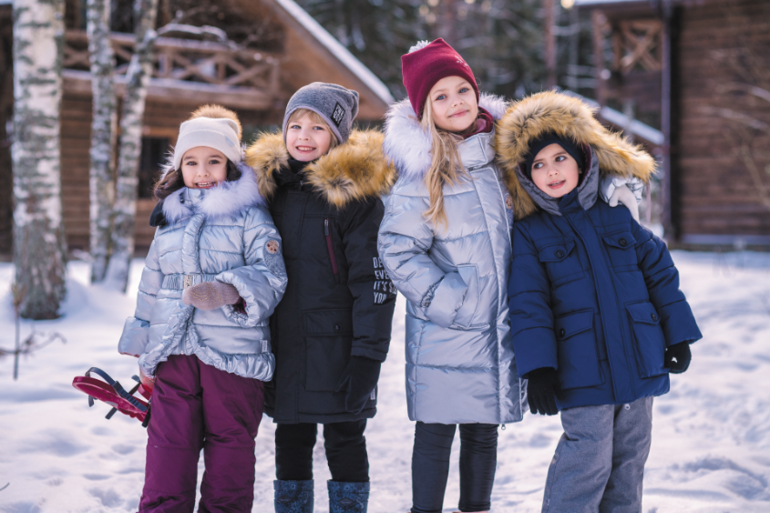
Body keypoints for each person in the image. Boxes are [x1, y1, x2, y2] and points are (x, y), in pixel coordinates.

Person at [500, 91, 703, 512]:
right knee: (587, 459)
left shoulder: (617, 214)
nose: (551, 171)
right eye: (538, 164)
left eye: (560, 158)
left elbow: (659, 273)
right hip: (581, 369)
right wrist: (538, 368)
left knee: (629, 460)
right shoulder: (531, 233)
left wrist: (677, 334)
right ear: (526, 176)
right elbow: (529, 303)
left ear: (582, 159)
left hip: (639, 358)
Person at [377, 38, 524, 513]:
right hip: (445, 329)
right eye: (440, 96)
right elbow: (398, 248)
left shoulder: (503, 159)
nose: (456, 102)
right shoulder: (421, 173)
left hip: (497, 325)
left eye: (463, 89)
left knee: (483, 433)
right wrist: (451, 300)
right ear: (425, 110)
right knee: (436, 433)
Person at [117, 105, 287, 512]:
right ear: (179, 168)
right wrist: (142, 346)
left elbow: (272, 274)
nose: (203, 171)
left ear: (230, 164)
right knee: (167, 448)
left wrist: (229, 290)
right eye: (191, 162)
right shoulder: (169, 220)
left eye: (214, 160)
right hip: (174, 353)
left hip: (233, 357)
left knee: (231, 450)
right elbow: (152, 286)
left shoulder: (251, 216)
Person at [245, 82, 397, 513]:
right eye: (296, 125)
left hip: (339, 349)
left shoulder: (355, 199)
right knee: (290, 437)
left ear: (338, 135)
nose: (304, 136)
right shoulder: (267, 189)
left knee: (345, 438)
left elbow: (374, 283)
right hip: (283, 344)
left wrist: (368, 356)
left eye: (318, 127)